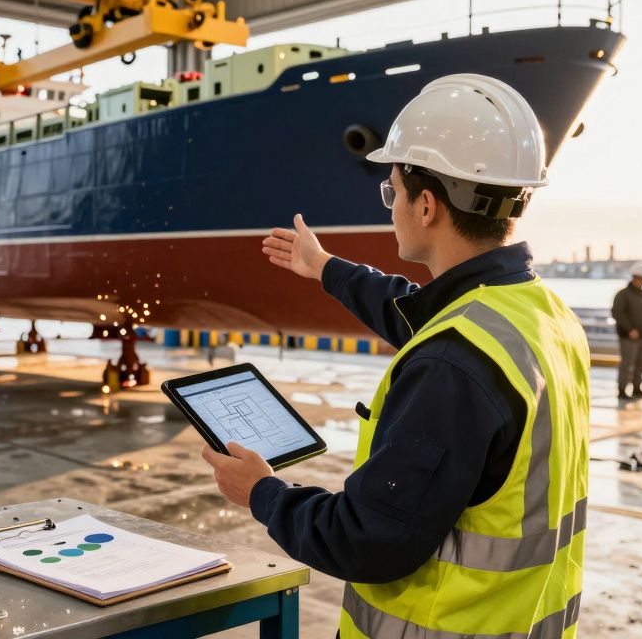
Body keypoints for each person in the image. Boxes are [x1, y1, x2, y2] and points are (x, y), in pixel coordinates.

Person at [200, 74, 591, 638]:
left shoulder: (452, 366)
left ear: (426, 205)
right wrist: (326, 267)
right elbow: (420, 312)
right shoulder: (540, 314)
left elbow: (365, 540)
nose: (391, 207)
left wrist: (262, 494)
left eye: (393, 192)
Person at [612, 262, 642, 400]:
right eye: (640, 278)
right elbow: (617, 313)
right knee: (627, 363)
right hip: (628, 336)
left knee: (641, 362)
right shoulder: (623, 294)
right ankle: (622, 389)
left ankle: (637, 388)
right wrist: (630, 329)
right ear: (634, 277)